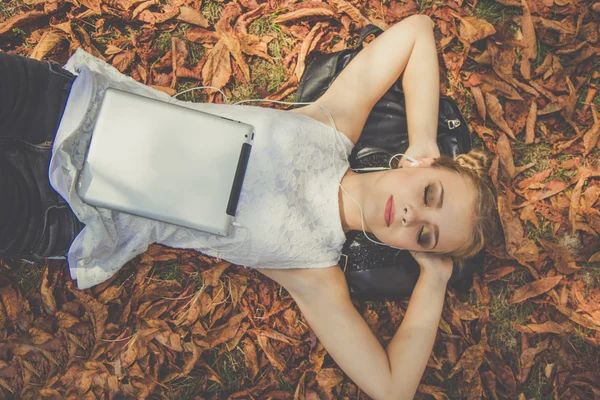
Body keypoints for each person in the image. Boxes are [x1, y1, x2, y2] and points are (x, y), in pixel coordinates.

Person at [1, 15, 498, 399]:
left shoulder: (314, 272)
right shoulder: (334, 122)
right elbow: (417, 31)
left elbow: (392, 389)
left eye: (426, 236)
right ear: (418, 167)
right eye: (430, 194)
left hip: (66, 210)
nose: (414, 216)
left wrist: (434, 279)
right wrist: (424, 140)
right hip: (69, 105)